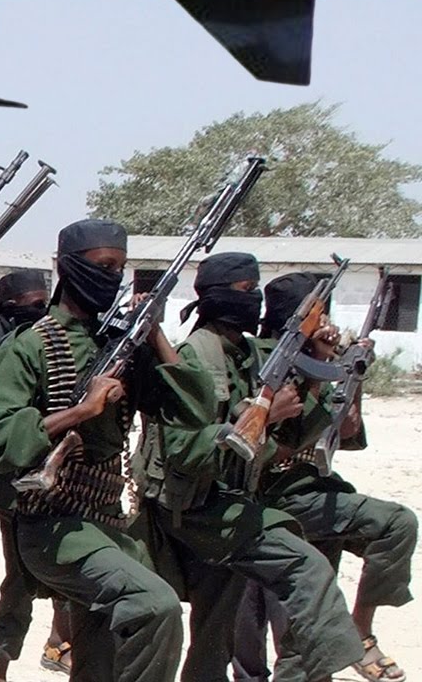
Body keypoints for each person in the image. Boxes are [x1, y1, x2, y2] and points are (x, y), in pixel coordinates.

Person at [0, 219, 203, 682]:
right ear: (67, 267)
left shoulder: (117, 345)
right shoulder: (33, 345)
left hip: (107, 524)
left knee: (99, 663)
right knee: (155, 606)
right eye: (103, 266)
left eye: (120, 268)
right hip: (52, 527)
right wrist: (81, 411)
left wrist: (154, 333)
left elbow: (193, 410)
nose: (112, 276)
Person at [133, 256, 374, 682]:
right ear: (216, 296)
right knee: (307, 567)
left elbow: (291, 440)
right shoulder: (196, 355)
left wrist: (315, 368)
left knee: (215, 633)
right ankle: (319, 669)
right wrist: (261, 416)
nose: (256, 299)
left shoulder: (249, 353)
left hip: (229, 500)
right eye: (246, 291)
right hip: (196, 507)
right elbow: (183, 450)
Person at [238, 271, 415, 682]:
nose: (328, 326)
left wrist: (351, 375)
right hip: (268, 495)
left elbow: (347, 430)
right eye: (318, 316)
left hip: (314, 493)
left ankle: (356, 632)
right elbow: (259, 443)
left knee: (305, 622)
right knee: (256, 611)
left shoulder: (321, 361)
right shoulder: (263, 362)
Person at [0, 270, 74, 680]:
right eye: (29, 305)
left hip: (62, 471)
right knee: (21, 577)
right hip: (8, 478)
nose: (37, 312)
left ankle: (59, 643)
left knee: (70, 566)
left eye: (43, 304)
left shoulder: (51, 344)